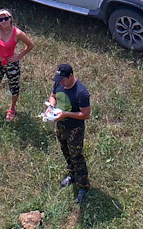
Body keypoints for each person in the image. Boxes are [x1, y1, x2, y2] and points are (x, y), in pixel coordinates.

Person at [47, 63, 91, 204]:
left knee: (77, 156)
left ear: (71, 76)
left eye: (63, 80)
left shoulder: (81, 92)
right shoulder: (60, 84)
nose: (61, 83)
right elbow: (53, 96)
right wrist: (51, 106)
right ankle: (72, 175)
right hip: (61, 126)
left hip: (74, 129)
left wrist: (65, 113)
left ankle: (83, 186)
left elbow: (85, 114)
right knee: (66, 151)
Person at [0, 9, 34, 121]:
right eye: (1, 19)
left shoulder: (17, 33)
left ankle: (12, 109)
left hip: (11, 64)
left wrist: (18, 56)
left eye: (6, 18)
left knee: (14, 87)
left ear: (11, 19)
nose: (4, 21)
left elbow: (30, 45)